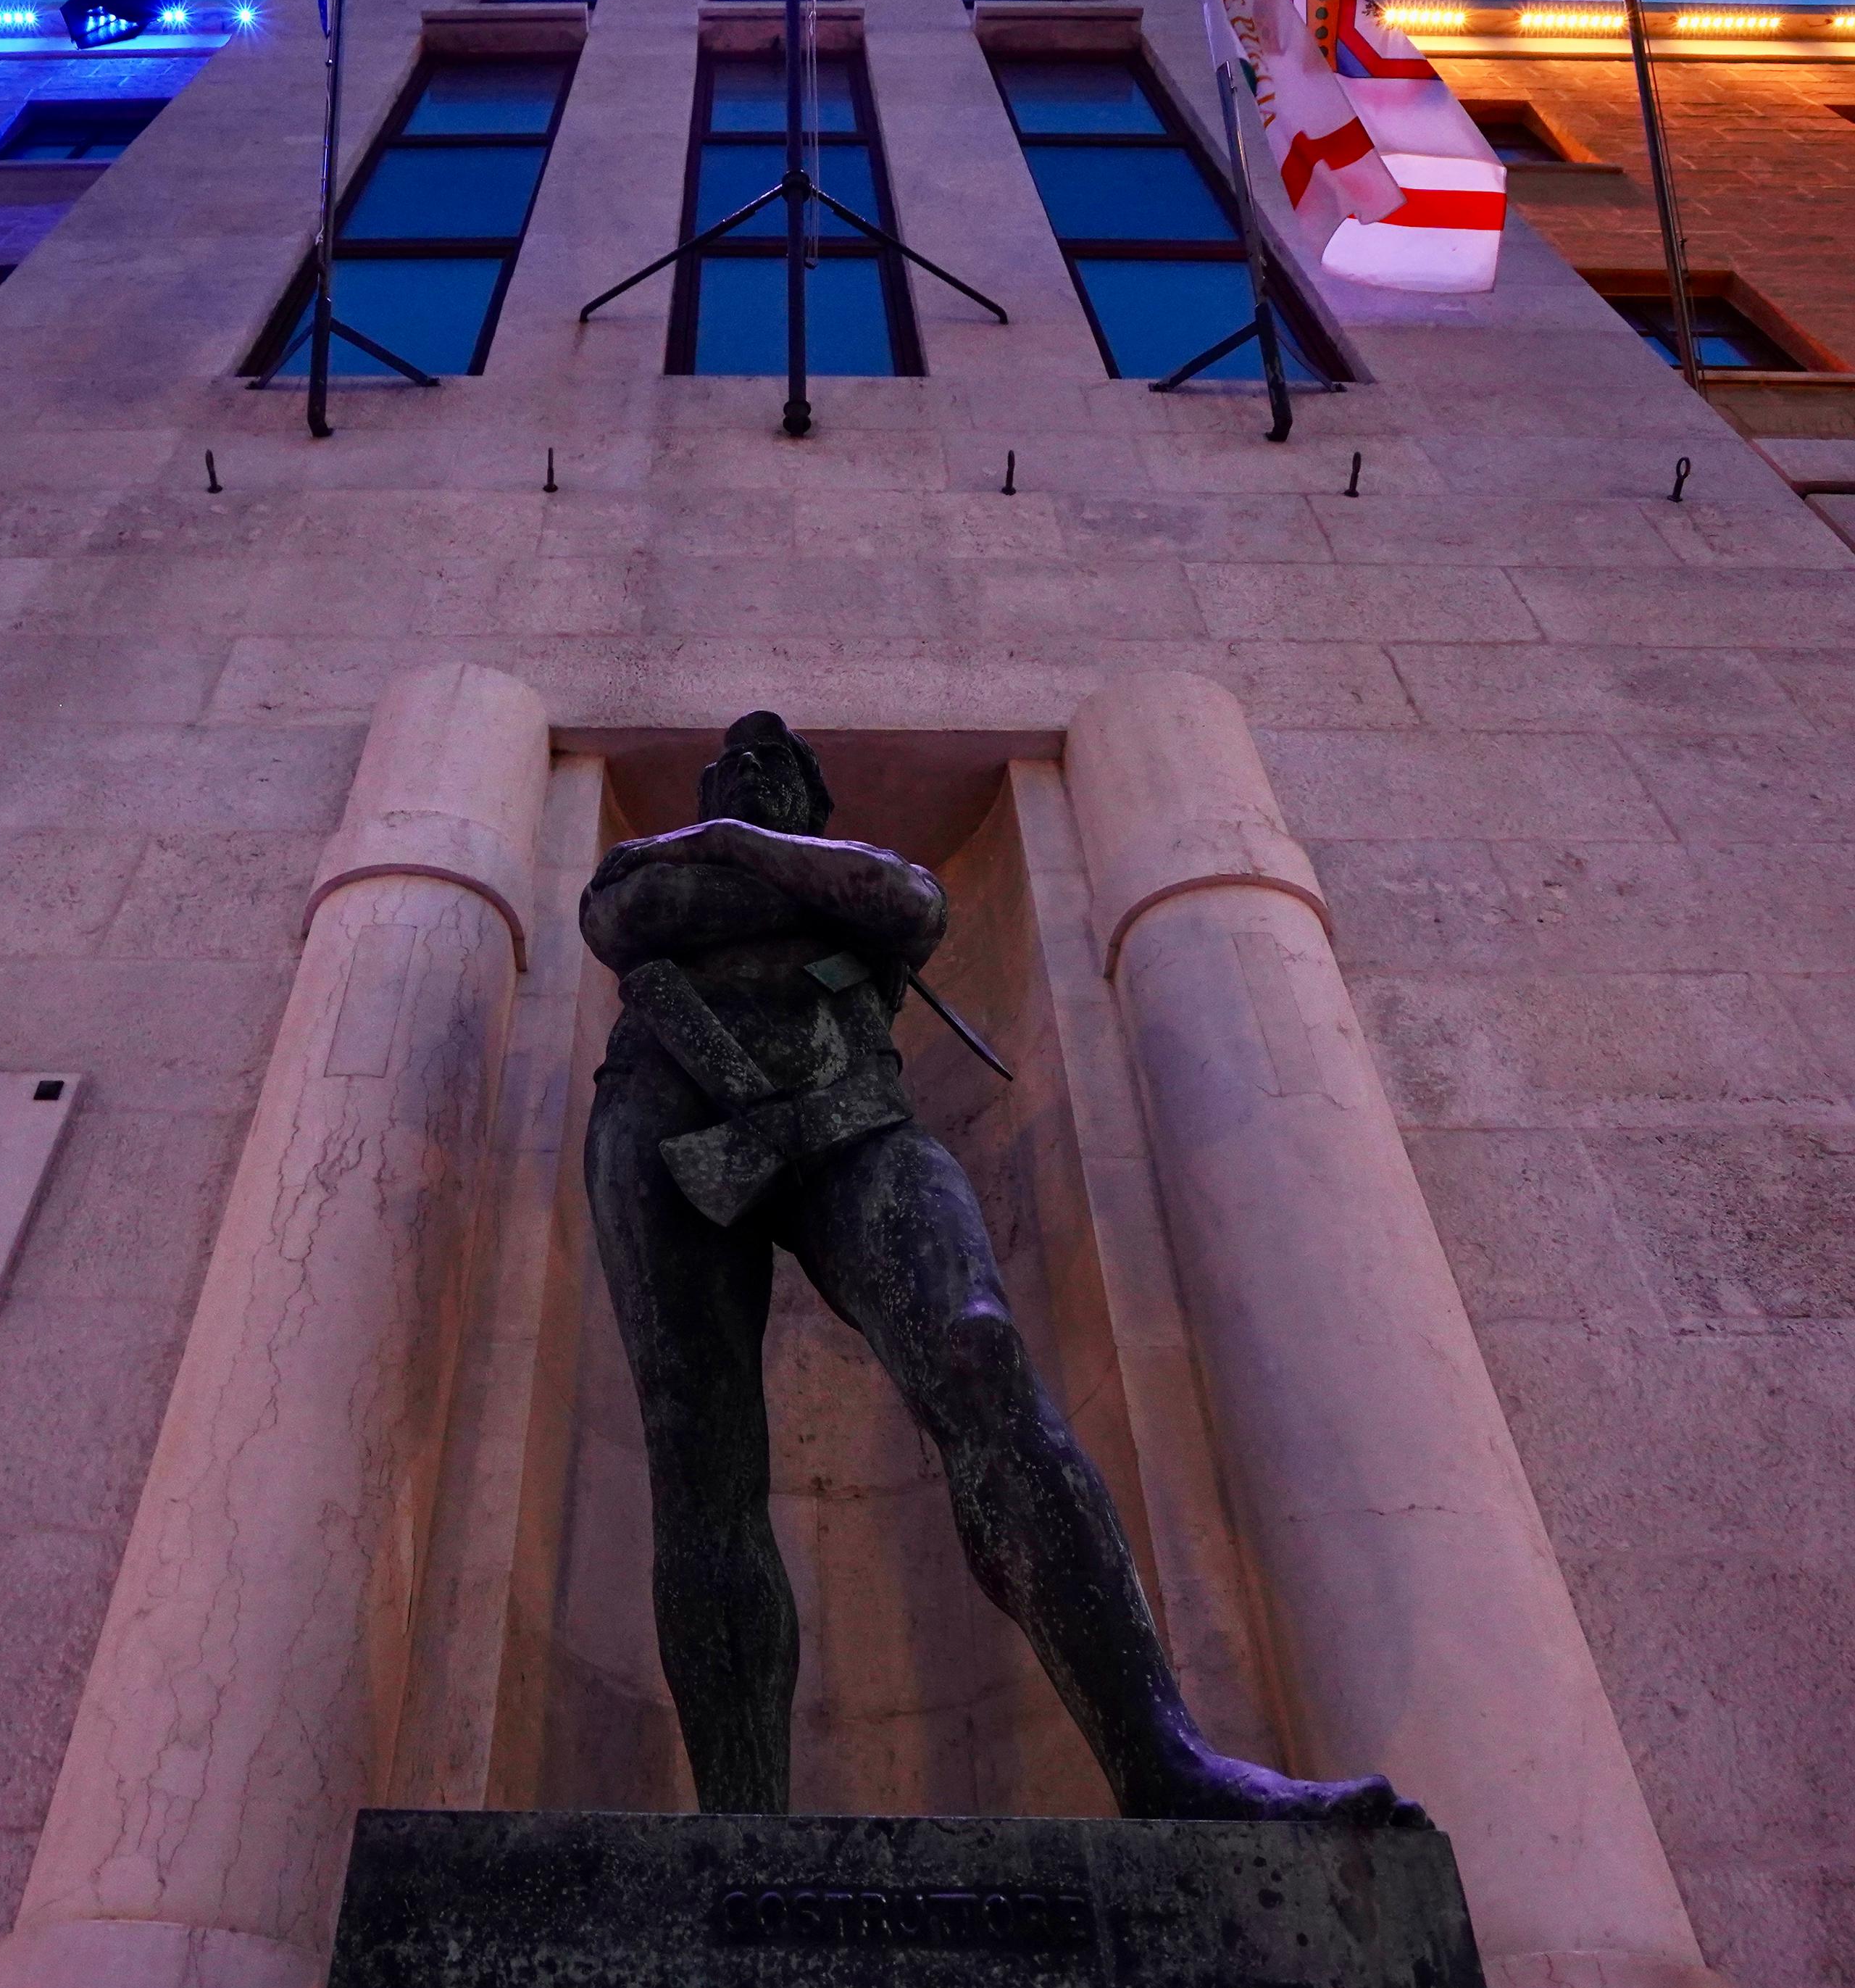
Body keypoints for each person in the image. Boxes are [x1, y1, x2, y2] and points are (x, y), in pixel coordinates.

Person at [579, 710, 1421, 1824]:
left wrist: (736, 848)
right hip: (665, 1117)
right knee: (701, 1450)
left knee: (975, 1347)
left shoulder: (786, 860)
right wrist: (793, 881)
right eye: (729, 773)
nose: (747, 775)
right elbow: (631, 915)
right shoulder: (649, 865)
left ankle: (1163, 1763)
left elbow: (907, 902)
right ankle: (745, 1827)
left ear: (814, 803)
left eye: (774, 769)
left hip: (853, 1127)